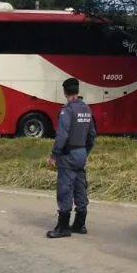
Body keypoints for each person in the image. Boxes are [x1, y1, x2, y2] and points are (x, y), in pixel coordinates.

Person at [46, 77, 97, 239]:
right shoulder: (86, 109)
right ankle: (80, 224)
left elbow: (62, 135)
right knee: (80, 185)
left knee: (65, 189)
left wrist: (54, 154)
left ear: (65, 92)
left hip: (68, 154)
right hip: (81, 153)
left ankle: (63, 227)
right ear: (77, 90)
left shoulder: (67, 110)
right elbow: (91, 134)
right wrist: (85, 151)